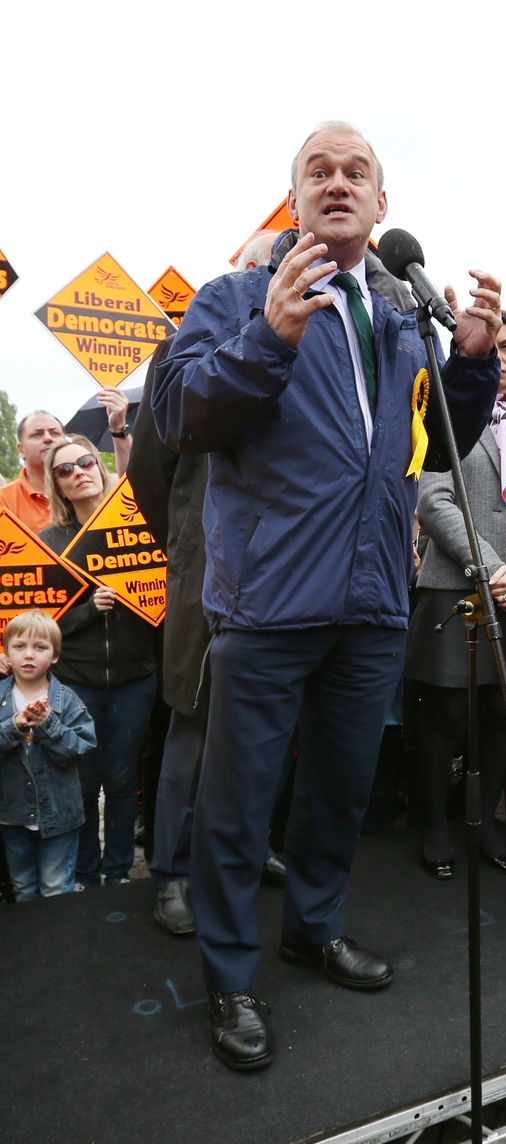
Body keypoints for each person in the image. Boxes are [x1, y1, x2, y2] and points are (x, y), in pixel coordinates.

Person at [152, 121, 502, 1071]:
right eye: (320, 172)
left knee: (341, 790)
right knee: (238, 803)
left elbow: (429, 444)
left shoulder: (396, 319)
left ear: (383, 207)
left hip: (371, 602)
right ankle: (230, 975)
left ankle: (313, 926)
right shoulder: (232, 297)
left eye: (358, 174)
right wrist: (267, 338)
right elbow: (179, 413)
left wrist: (467, 364)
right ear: (295, 198)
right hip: (265, 602)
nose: (338, 183)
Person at [128, 231, 285, 937]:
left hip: (282, 572)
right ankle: (171, 872)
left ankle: (247, 852)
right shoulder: (182, 350)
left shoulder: (309, 347)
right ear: (241, 278)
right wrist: (189, 543)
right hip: (206, 570)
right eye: (267, 269)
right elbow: (147, 472)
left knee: (263, 730)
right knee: (192, 723)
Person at [404, 311, 506, 877]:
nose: (499, 356)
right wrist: (491, 566)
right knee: (444, 712)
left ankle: (485, 823)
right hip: (456, 582)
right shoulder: (446, 414)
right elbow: (433, 501)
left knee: (505, 710)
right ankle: (433, 824)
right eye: (490, 347)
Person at [40, 436, 157, 887]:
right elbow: (40, 629)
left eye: (86, 461)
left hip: (135, 678)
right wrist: (92, 608)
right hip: (77, 682)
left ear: (100, 465)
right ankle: (87, 877)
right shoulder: (51, 541)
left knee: (125, 783)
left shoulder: (138, 527)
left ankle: (119, 871)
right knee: (85, 785)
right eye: (65, 470)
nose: (79, 472)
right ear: (58, 486)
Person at [0, 610, 96, 900]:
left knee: (56, 887)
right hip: (11, 814)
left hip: (59, 814)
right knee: (23, 886)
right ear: (6, 653)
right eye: (20, 647)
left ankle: (58, 944)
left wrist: (49, 724)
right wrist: (13, 726)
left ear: (54, 656)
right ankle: (33, 945)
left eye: (40, 647)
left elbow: (81, 748)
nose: (29, 655)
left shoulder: (66, 700)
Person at [0, 393, 131, 535]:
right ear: (21, 449)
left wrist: (118, 428)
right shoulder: (4, 501)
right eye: (65, 470)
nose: (48, 438)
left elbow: (131, 484)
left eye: (86, 462)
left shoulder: (105, 484)